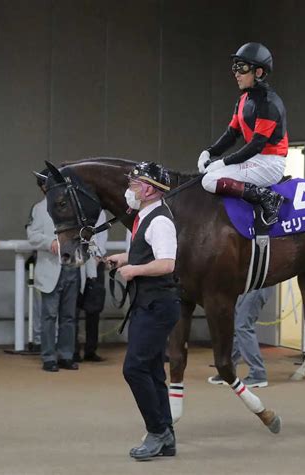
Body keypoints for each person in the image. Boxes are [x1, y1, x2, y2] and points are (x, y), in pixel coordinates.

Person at [107, 162, 180, 461]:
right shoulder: (146, 217)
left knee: (134, 369)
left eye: (135, 184)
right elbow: (148, 252)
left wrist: (134, 269)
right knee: (151, 371)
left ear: (149, 189)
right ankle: (167, 437)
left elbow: (167, 263)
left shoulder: (160, 221)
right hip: (150, 304)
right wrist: (124, 259)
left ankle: (157, 431)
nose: (130, 190)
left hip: (157, 306)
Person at [198, 42, 288, 226]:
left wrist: (222, 162)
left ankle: (268, 197)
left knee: (209, 180)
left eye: (243, 67)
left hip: (270, 163)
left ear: (259, 73)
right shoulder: (242, 100)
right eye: (235, 67)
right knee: (208, 174)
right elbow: (232, 134)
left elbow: (256, 145)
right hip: (255, 160)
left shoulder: (269, 103)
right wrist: (209, 152)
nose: (236, 73)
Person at [27, 169, 84, 371]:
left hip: (71, 267)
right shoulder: (39, 209)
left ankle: (66, 355)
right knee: (49, 316)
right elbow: (32, 236)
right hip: (50, 267)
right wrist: (48, 242)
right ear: (44, 187)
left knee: (69, 317)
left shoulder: (73, 206)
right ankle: (49, 357)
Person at [208, 287, 273, 388]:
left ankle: (258, 374)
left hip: (258, 285)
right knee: (235, 325)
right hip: (248, 286)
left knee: (243, 326)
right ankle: (228, 372)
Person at [74, 209, 108, 363]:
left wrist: (98, 256)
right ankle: (72, 350)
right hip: (76, 261)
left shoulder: (99, 211)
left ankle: (91, 349)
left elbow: (102, 235)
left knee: (94, 309)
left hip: (95, 262)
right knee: (72, 309)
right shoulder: (72, 208)